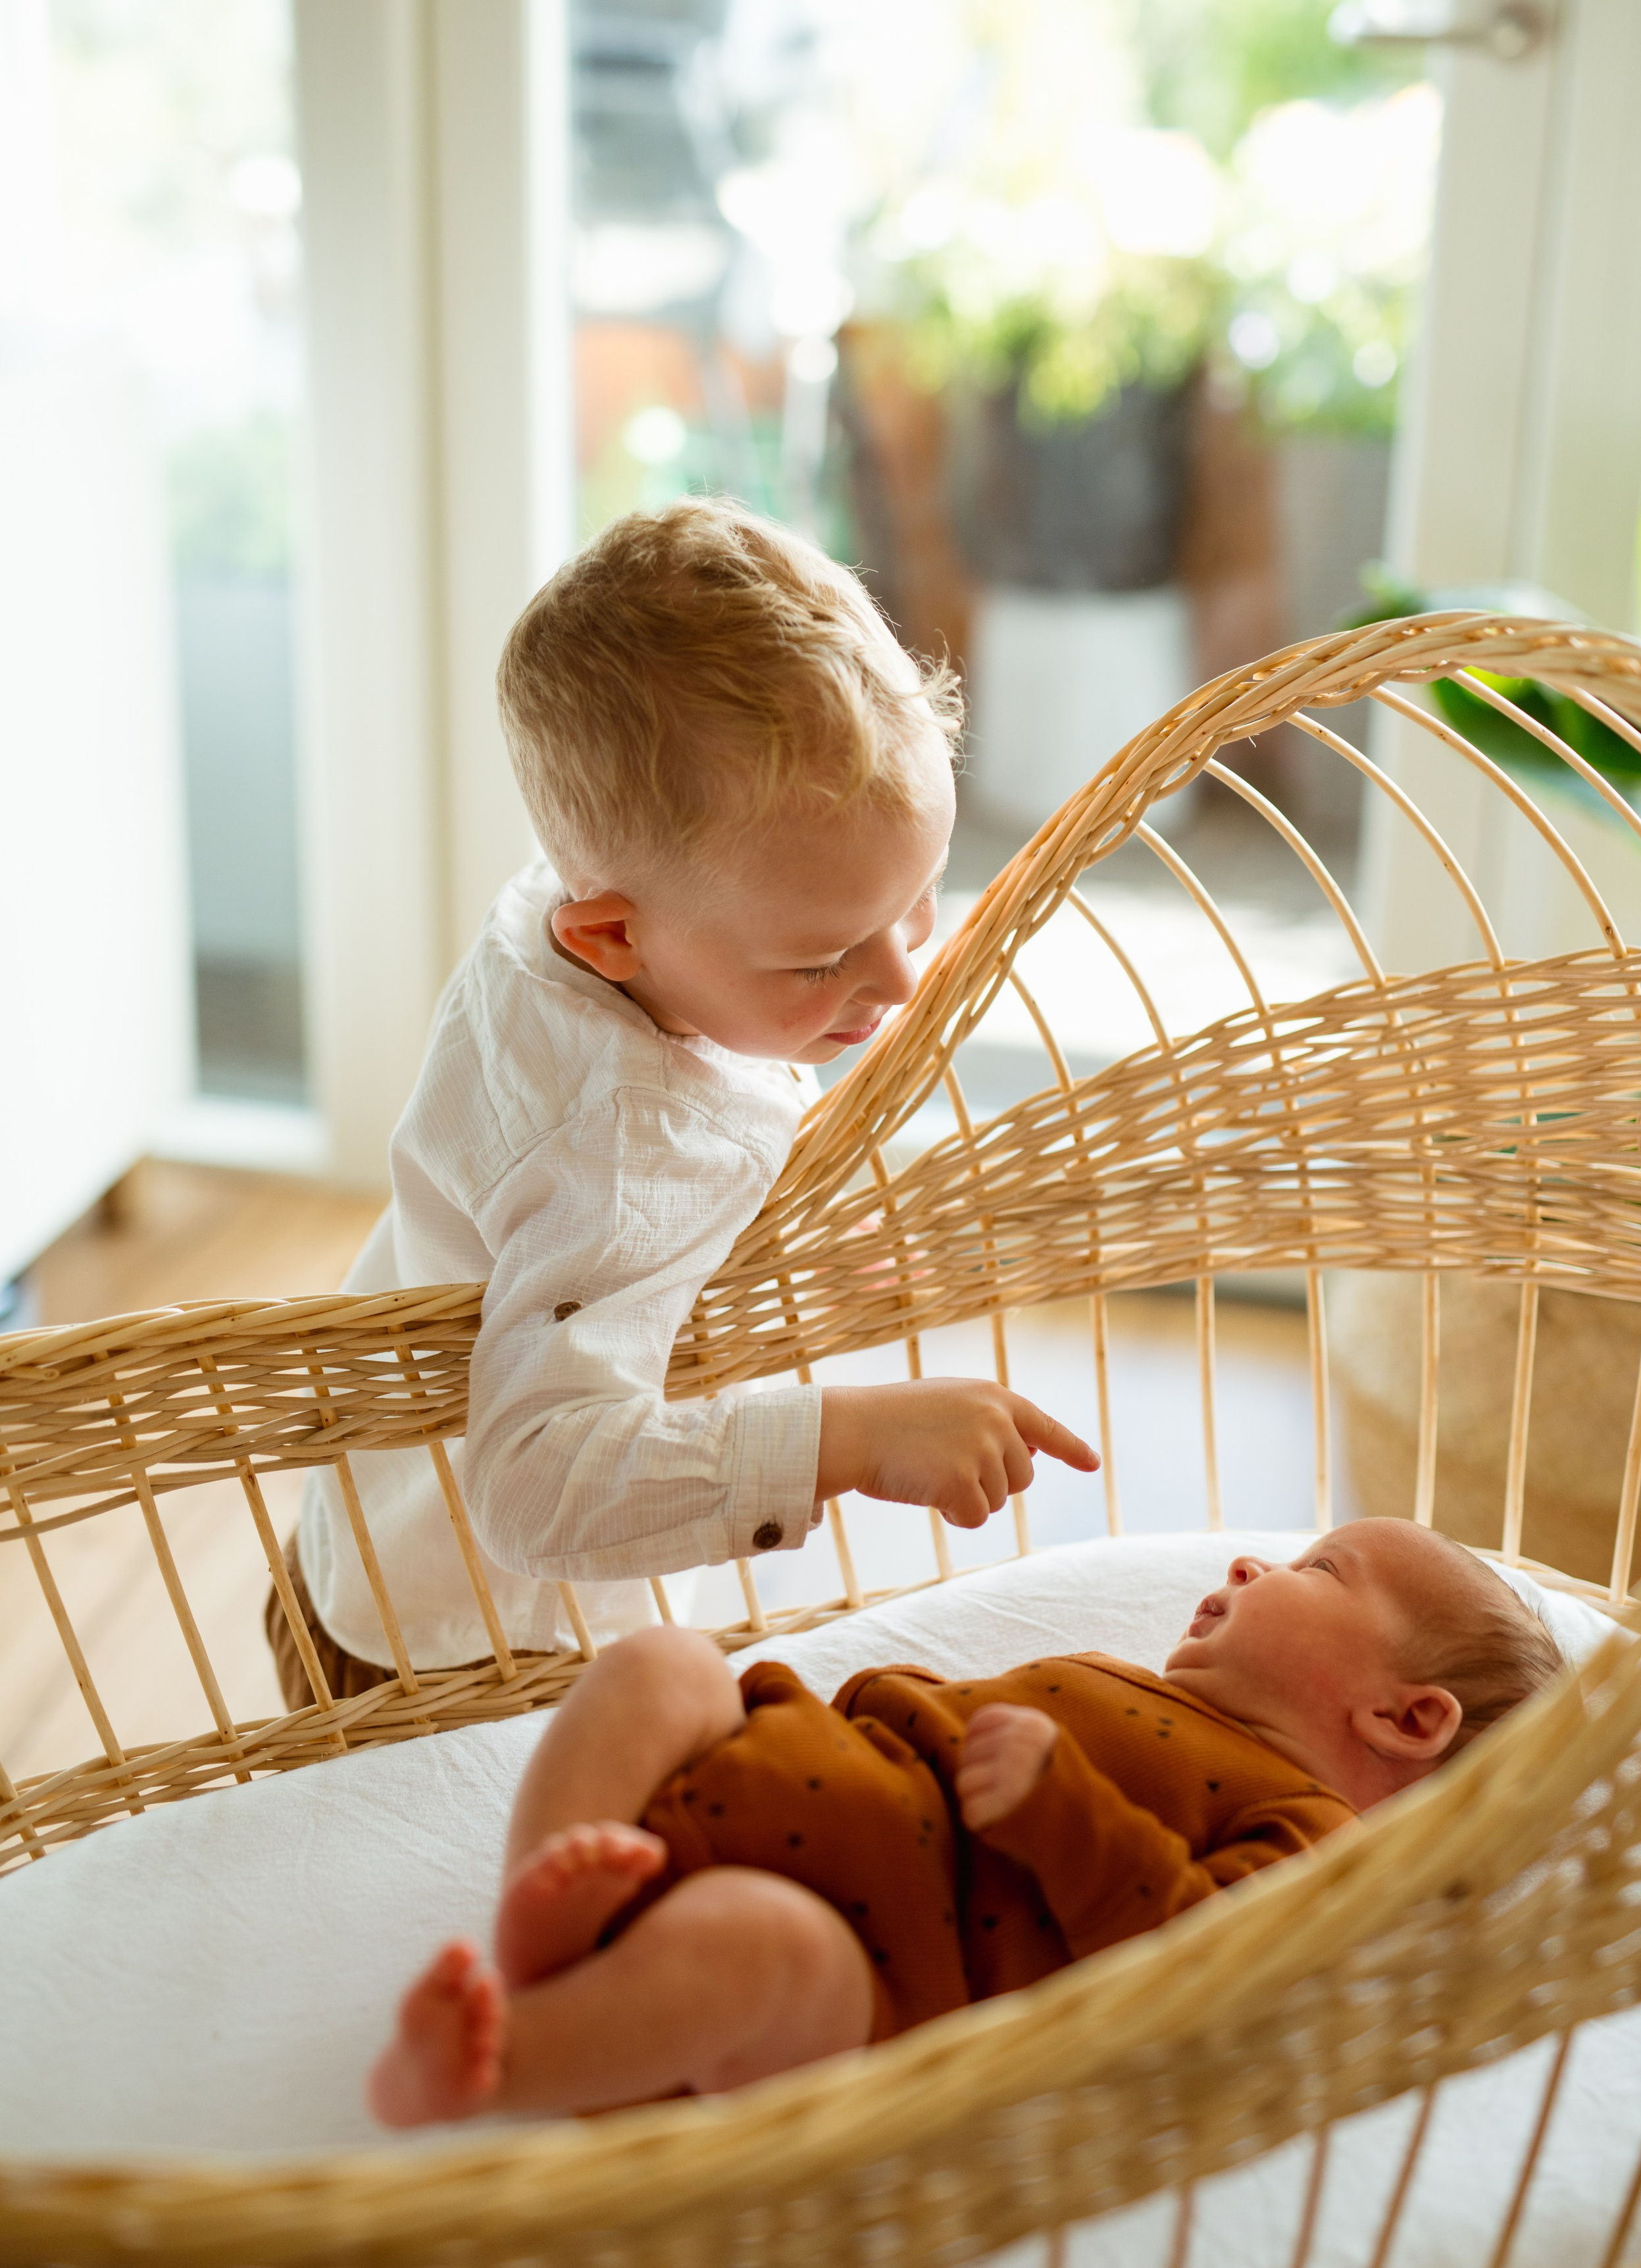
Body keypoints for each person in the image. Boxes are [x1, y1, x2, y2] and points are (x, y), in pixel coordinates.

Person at [268, 500, 1099, 1705]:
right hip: (466, 1661)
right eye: (821, 960)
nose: (901, 980)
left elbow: (699, 1094)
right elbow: (534, 1481)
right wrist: (854, 1437)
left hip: (365, 1552)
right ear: (608, 935)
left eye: (918, 900)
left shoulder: (602, 915)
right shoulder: (617, 1147)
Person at [367, 1518, 1565, 2125]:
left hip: (872, 1971)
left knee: (761, 1950)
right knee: (661, 1664)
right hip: (773, 1767)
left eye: (1319, 1569)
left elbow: (1192, 1965)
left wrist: (1065, 1809)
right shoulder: (1127, 1679)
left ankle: (503, 2062)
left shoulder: (1308, 1836)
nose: (1254, 1563)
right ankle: (558, 1905)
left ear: (1406, 1718)